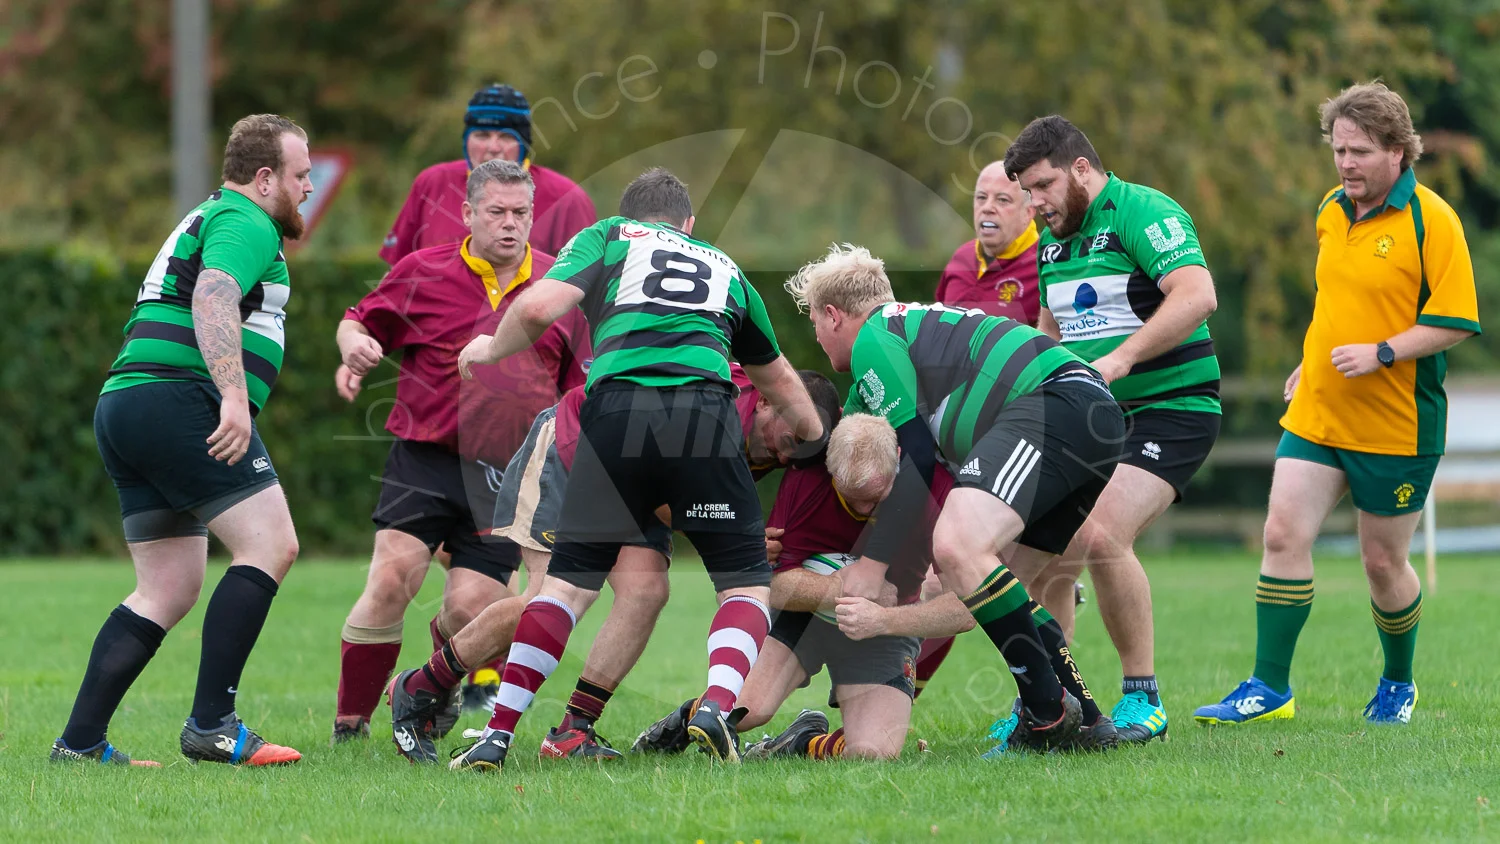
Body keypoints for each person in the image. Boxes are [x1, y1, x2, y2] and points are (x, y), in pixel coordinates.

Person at [449, 167, 825, 770]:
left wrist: (491, 348)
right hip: (703, 418)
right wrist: (812, 435)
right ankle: (716, 707)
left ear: (630, 214)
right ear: (689, 225)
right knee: (745, 585)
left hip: (615, 416)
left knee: (566, 590)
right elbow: (776, 377)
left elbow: (542, 304)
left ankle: (496, 733)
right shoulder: (724, 265)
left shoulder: (609, 236)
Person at [1195, 82, 1479, 727]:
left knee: (1382, 563)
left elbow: (1457, 321)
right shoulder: (1330, 209)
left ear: (1398, 152)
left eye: (1359, 151)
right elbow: (1338, 301)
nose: (1345, 164)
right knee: (1281, 534)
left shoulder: (1433, 220)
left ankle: (1398, 683)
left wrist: (1382, 352)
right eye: (1338, 150)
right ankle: (1269, 690)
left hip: (1397, 423)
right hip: (1321, 410)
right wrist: (1311, 357)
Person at [382, 365, 839, 764]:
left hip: (638, 479)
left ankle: (572, 729)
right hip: (574, 450)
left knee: (647, 593)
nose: (786, 456)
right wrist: (734, 534)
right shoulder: (723, 410)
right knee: (547, 600)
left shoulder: (768, 432)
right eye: (789, 440)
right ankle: (421, 685)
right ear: (771, 402)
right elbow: (668, 507)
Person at [786, 243, 1124, 752]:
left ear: (834, 315)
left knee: (959, 550)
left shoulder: (875, 336)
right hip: (1090, 416)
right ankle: (1090, 722)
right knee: (998, 583)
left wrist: (873, 566)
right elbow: (844, 452)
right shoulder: (898, 350)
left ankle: (1047, 716)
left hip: (1058, 404)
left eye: (814, 320)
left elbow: (917, 457)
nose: (815, 333)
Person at [53, 115, 312, 767]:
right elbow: (214, 296)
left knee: (166, 588)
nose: (308, 187)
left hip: (127, 403)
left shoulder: (212, 214)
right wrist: (231, 393)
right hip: (176, 399)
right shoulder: (246, 220)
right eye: (300, 174)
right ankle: (213, 725)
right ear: (264, 178)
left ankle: (80, 745)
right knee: (271, 544)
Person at [331, 159, 590, 744]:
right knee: (394, 575)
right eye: (496, 212)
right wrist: (355, 348)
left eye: (521, 213)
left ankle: (428, 685)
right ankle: (350, 726)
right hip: (426, 455)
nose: (510, 224)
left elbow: (580, 388)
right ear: (468, 213)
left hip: (509, 473)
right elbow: (355, 323)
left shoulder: (560, 287)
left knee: (476, 607)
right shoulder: (421, 271)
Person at [1000, 115, 1221, 744]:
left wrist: (1122, 358)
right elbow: (1050, 329)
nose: (1034, 204)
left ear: (1079, 169)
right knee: (1036, 546)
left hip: (1174, 409)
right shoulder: (1051, 241)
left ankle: (1142, 698)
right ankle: (1052, 704)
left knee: (1098, 534)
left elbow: (1198, 295)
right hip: (1091, 419)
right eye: (1026, 192)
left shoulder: (1143, 212)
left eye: (1042, 187)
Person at [380, 83, 596, 265]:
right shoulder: (432, 183)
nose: (493, 147)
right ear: (466, 141)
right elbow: (397, 275)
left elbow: (589, 287)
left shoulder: (567, 198)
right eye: (482, 135)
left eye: (505, 136)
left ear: (525, 143)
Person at [935, 161, 1041, 325]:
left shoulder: (1045, 265)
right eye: (981, 198)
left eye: (1002, 200)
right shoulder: (961, 257)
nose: (987, 207)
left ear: (1028, 212)